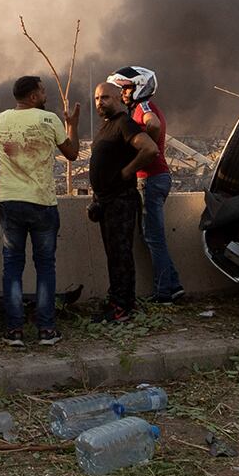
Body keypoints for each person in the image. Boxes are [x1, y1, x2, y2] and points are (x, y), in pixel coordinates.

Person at [0, 75, 80, 347]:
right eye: (41, 91)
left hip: (10, 202)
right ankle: (46, 330)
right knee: (45, 267)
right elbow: (73, 153)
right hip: (42, 203)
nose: (45, 95)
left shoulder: (0, 119)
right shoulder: (49, 119)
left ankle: (14, 331)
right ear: (32, 97)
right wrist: (72, 126)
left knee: (13, 267)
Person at [87, 79, 157, 323]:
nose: (100, 102)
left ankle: (123, 308)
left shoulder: (124, 123)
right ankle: (117, 299)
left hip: (121, 200)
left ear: (118, 98)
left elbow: (149, 149)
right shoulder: (108, 126)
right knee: (113, 254)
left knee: (120, 255)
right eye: (96, 98)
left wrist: (127, 173)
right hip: (106, 201)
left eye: (105, 97)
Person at [111, 66, 181, 303]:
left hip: (150, 178)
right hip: (156, 178)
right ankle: (173, 284)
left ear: (140, 87)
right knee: (153, 236)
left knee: (153, 238)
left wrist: (141, 143)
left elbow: (153, 125)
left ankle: (164, 293)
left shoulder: (143, 108)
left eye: (127, 88)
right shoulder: (145, 107)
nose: (123, 94)